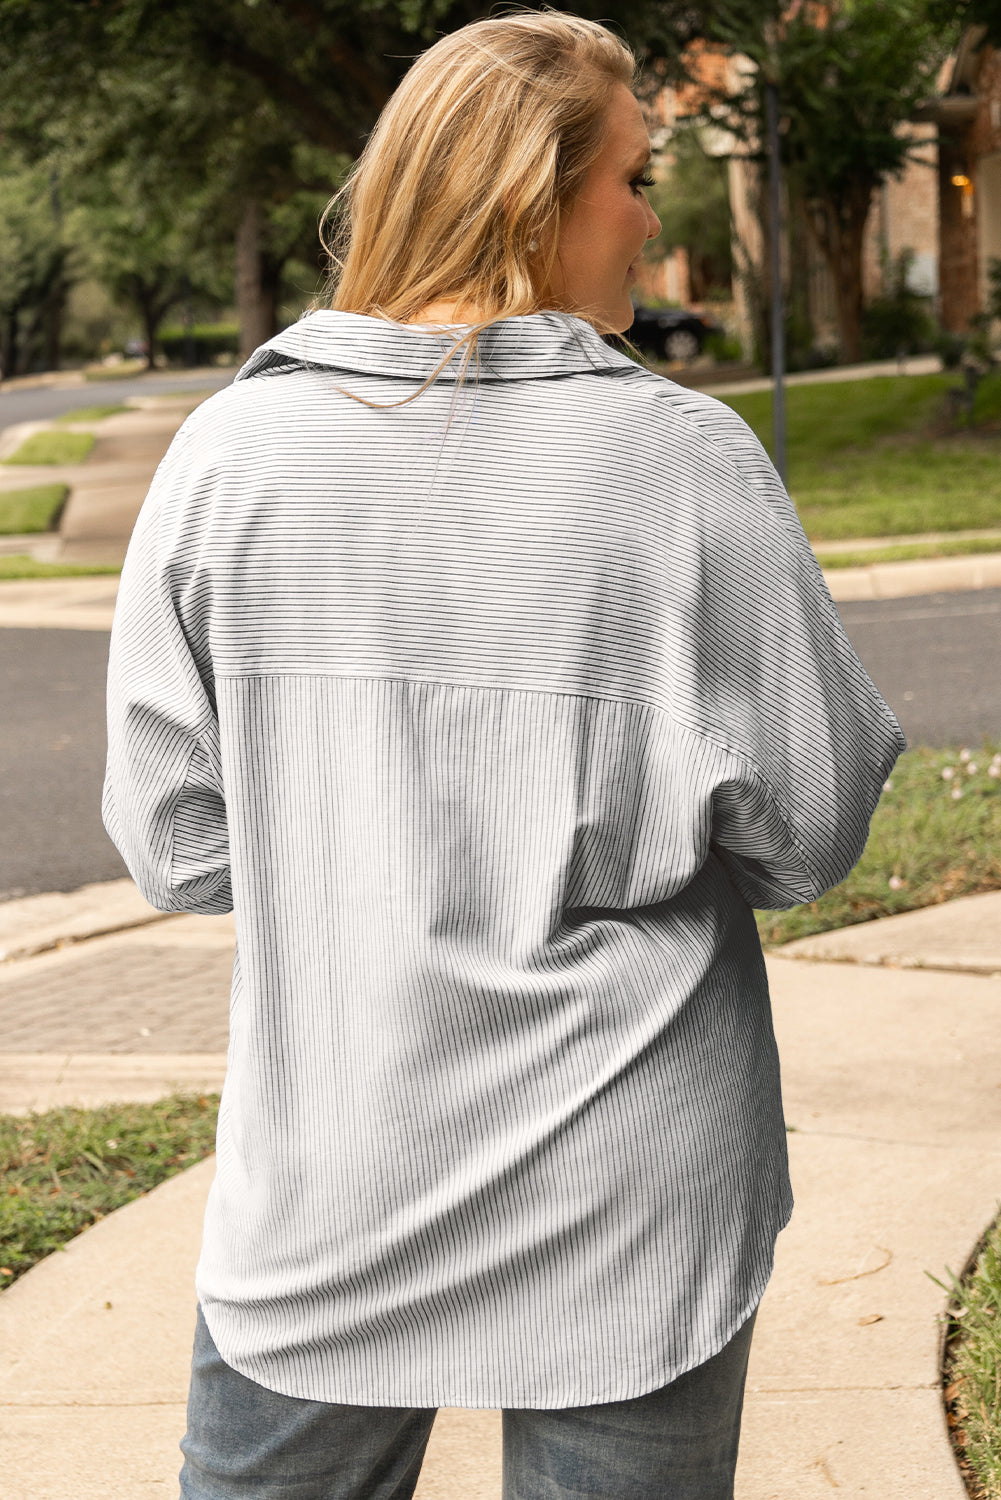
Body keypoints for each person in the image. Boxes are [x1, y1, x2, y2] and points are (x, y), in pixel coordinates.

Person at [102, 12, 905, 1498]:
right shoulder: (681, 462)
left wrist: (353, 841)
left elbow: (178, 844)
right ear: (536, 203)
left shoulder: (232, 456)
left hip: (337, 1172)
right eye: (635, 179)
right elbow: (808, 825)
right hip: (630, 1189)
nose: (649, 220)